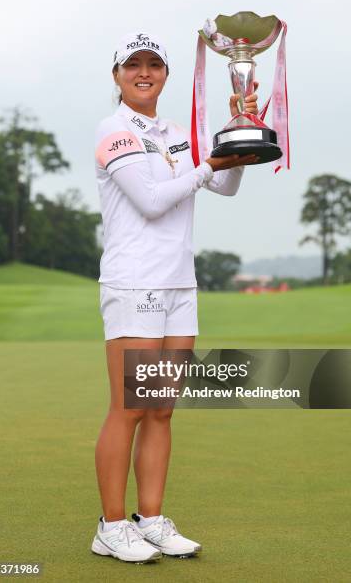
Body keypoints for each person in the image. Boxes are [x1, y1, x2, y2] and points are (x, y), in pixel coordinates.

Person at [91, 31, 259, 563]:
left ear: (165, 74)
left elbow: (226, 187)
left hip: (178, 283)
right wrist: (210, 165)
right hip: (134, 281)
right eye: (133, 65)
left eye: (154, 65)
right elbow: (152, 201)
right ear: (116, 75)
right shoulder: (114, 130)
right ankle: (111, 526)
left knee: (161, 409)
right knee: (130, 407)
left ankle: (152, 519)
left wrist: (237, 134)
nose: (145, 73)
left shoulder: (178, 132)